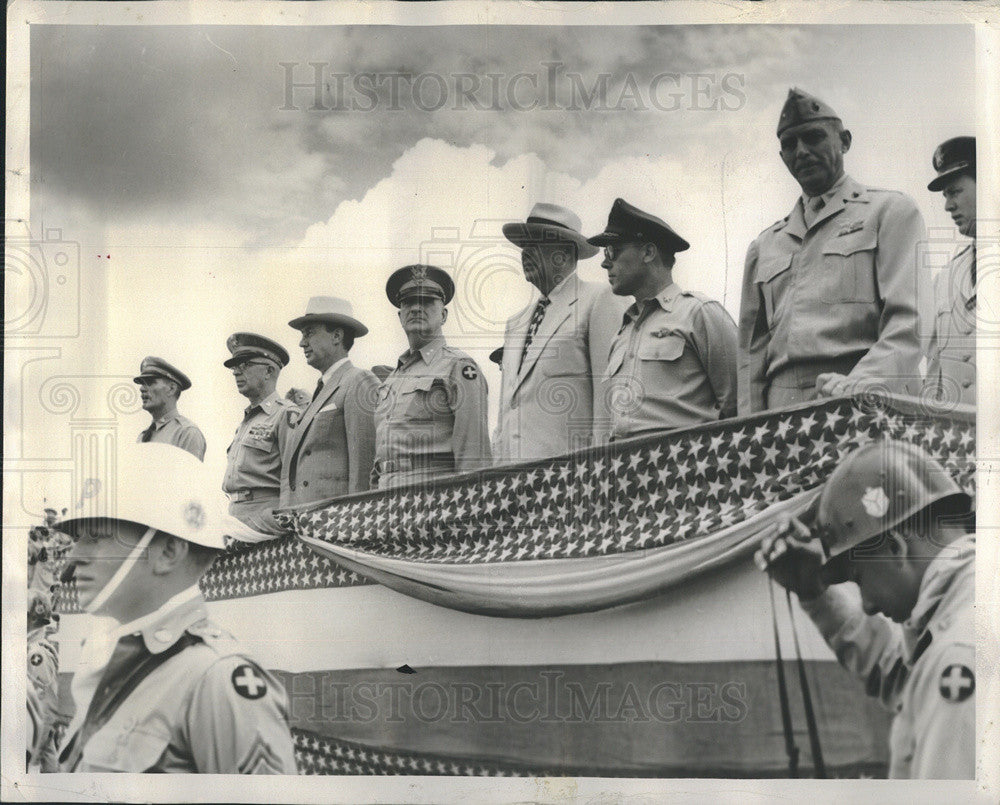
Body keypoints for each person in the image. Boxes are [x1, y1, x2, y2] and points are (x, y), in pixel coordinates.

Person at [56, 442, 297, 773]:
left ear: (169, 552)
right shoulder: (108, 658)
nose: (74, 558)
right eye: (77, 539)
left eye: (96, 537)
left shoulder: (218, 680)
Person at [755, 440, 974, 779]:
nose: (868, 605)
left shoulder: (957, 655)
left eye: (858, 579)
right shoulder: (969, 609)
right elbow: (907, 679)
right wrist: (815, 595)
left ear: (896, 548)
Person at [737, 88, 923, 414]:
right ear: (782, 157)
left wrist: (861, 383)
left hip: (870, 398)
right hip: (784, 416)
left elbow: (909, 323)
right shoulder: (764, 246)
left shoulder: (890, 212)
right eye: (789, 145)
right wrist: (749, 428)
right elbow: (752, 355)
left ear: (845, 141)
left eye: (814, 138)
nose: (802, 151)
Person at [589, 198, 738, 439]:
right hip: (625, 468)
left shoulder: (699, 313)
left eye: (613, 251)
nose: (605, 262)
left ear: (648, 252)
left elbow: (739, 404)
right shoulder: (621, 334)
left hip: (685, 467)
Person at [495, 203, 625, 462]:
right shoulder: (516, 324)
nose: (524, 254)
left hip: (569, 480)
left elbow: (609, 398)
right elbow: (505, 412)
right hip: (512, 483)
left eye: (535, 245)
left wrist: (602, 468)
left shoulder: (598, 300)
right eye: (523, 246)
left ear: (564, 255)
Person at [373, 264, 491, 488]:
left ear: (444, 315)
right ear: (400, 316)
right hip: (385, 499)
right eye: (408, 302)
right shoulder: (392, 380)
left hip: (433, 498)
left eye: (426, 301)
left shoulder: (458, 367)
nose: (416, 308)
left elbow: (474, 456)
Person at [282, 297, 378, 505]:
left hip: (336, 522)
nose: (301, 343)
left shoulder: (358, 381)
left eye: (309, 333)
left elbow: (364, 465)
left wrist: (357, 520)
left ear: (336, 336)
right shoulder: (321, 391)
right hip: (306, 518)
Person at [221, 332, 294, 536]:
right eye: (234, 367)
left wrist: (280, 520)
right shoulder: (247, 421)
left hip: (265, 523)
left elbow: (294, 479)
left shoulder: (286, 414)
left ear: (269, 371)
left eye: (244, 365)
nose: (236, 372)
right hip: (236, 518)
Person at [924, 136, 977, 407]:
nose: (947, 206)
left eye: (955, 192)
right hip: (957, 442)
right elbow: (934, 377)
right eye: (945, 196)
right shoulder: (944, 279)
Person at [133, 356, 206, 460]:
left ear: (171, 389)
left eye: (150, 382)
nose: (142, 389)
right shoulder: (142, 437)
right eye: (142, 384)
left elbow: (190, 474)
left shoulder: (186, 433)